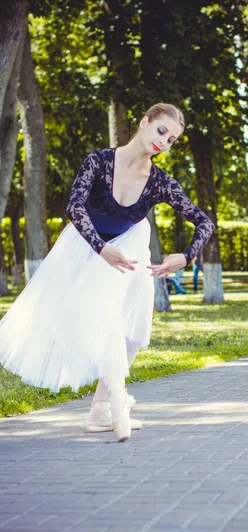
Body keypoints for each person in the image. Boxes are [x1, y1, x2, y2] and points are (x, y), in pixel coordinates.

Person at [0, 103, 215, 442]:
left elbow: (205, 221)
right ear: (144, 123)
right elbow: (74, 206)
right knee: (95, 314)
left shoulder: (160, 182)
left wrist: (187, 257)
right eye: (161, 131)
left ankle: (105, 404)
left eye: (172, 139)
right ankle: (114, 398)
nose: (164, 141)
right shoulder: (98, 161)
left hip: (130, 243)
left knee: (132, 325)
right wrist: (100, 247)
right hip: (85, 243)